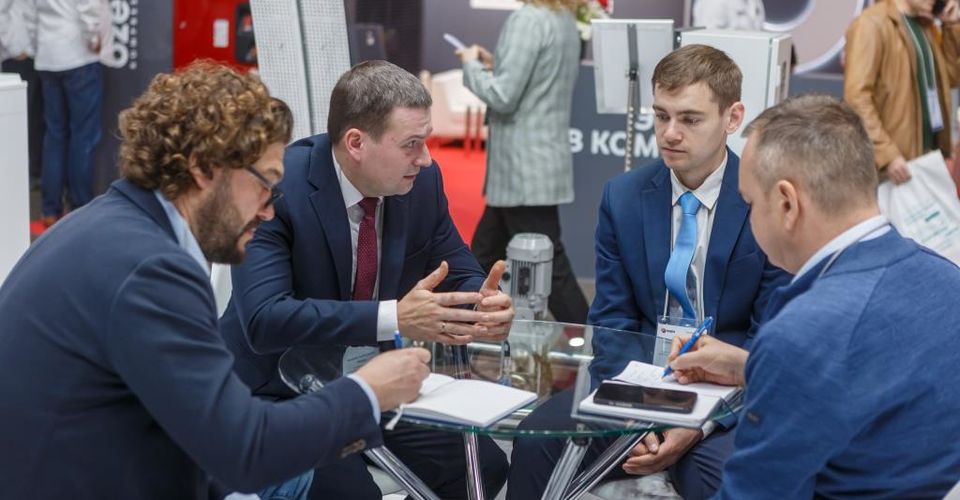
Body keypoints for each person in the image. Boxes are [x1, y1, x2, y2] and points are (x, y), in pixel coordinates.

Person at [0, 61, 433, 499]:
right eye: (265, 185)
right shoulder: (150, 269)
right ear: (204, 169)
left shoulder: (114, 229)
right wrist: (368, 392)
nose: (269, 210)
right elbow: (245, 452)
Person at [219, 59, 514, 499]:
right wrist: (394, 317)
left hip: (381, 386)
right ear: (356, 142)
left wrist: (482, 304)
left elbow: (455, 264)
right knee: (352, 494)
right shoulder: (283, 186)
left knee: (483, 467)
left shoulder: (421, 183)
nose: (426, 158)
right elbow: (264, 319)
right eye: (412, 144)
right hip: (281, 396)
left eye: (426, 141)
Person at [506, 44, 789, 500]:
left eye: (690, 119)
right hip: (637, 382)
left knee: (721, 478)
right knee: (536, 442)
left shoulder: (767, 200)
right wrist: (636, 414)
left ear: (732, 118)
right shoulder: (623, 197)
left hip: (727, 393)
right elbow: (612, 320)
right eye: (661, 116)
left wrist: (701, 423)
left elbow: (771, 335)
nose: (670, 133)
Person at [668, 94, 960, 497]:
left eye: (750, 203)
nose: (750, 218)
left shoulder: (801, 333)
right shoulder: (946, 280)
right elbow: (876, 386)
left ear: (787, 204)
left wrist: (775, 361)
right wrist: (751, 368)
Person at [457, 0, 589, 323]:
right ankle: (461, 329)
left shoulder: (527, 20)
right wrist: (496, 63)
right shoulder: (564, 19)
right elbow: (538, 79)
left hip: (521, 169)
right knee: (483, 255)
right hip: (534, 165)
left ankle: (594, 341)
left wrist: (471, 65)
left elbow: (503, 96)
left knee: (550, 268)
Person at [845, 0, 960, 184]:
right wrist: (886, 153)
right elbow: (857, 98)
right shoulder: (871, 23)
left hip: (927, 157)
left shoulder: (926, 25)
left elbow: (950, 79)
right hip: (896, 164)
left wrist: (951, 26)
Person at [34, 0, 107, 227]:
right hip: (77, 53)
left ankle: (50, 209)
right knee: (83, 137)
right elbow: (88, 6)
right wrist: (94, 37)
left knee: (55, 135)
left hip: (47, 54)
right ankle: (80, 209)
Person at [0, 0, 43, 188]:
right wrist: (16, 48)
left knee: (36, 119)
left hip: (39, 55)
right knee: (22, 118)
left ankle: (34, 171)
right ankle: (23, 174)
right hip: (18, 57)